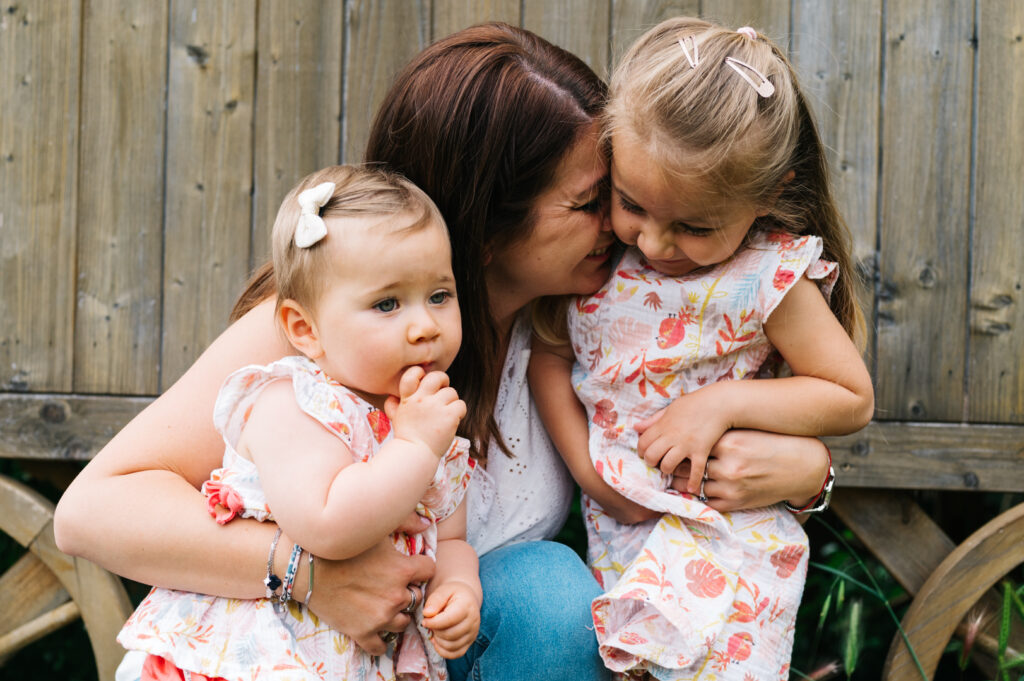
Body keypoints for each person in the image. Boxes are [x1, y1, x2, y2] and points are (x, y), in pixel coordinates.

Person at [54, 22, 833, 681]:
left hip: (452, 649)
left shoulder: (595, 317)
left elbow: (699, 425)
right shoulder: (329, 336)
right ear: (490, 223)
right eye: (597, 201)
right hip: (293, 649)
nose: (628, 228)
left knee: (543, 592)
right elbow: (93, 513)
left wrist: (809, 473)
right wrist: (309, 571)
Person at [528, 17, 874, 681]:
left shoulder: (766, 277)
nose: (655, 243)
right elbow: (549, 354)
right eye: (632, 204)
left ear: (769, 195)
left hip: (728, 533)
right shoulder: (604, 256)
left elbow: (849, 394)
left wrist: (720, 402)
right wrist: (592, 474)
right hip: (624, 529)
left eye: (694, 226)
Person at [117, 166, 480, 681]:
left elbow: (450, 540)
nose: (425, 326)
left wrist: (458, 589)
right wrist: (416, 447)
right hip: (255, 653)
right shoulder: (292, 403)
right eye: (387, 304)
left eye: (439, 296)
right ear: (305, 329)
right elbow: (327, 525)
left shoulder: (430, 421)